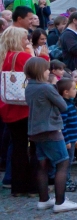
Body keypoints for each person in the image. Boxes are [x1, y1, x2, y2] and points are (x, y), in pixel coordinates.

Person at [24, 57, 77, 213]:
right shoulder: (46, 88)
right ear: (40, 71)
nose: (49, 71)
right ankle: (60, 201)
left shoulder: (29, 87)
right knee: (62, 163)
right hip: (50, 130)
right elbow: (63, 105)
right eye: (47, 69)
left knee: (42, 165)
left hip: (35, 131)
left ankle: (44, 200)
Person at [0, 27, 49, 197]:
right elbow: (42, 71)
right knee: (35, 147)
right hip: (24, 108)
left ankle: (17, 186)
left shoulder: (3, 57)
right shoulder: (21, 56)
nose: (27, 41)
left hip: (7, 106)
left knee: (18, 147)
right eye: (24, 39)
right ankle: (33, 186)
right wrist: (42, 56)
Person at [56, 78, 77, 193]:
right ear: (66, 92)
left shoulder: (70, 103)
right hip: (68, 139)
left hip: (72, 138)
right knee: (67, 161)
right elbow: (63, 125)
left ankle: (67, 179)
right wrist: (66, 141)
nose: (76, 90)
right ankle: (65, 181)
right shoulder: (64, 106)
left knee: (70, 160)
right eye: (74, 89)